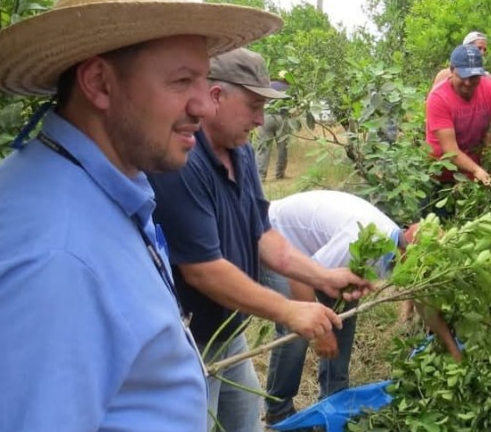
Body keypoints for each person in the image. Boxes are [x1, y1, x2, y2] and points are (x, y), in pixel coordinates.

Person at [0, 0, 282, 430]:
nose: (203, 107)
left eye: (204, 83)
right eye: (181, 81)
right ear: (100, 84)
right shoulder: (52, 259)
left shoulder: (88, 184)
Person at [148, 48, 370, 432]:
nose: (261, 119)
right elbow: (203, 271)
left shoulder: (242, 151)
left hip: (229, 331)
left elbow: (263, 236)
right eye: (253, 105)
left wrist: (322, 277)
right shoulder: (184, 161)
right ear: (217, 97)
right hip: (190, 343)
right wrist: (288, 310)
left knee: (246, 417)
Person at [261, 190, 461, 423]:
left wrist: (452, 348)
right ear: (410, 252)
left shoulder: (398, 247)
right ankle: (278, 411)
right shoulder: (359, 242)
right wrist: (322, 334)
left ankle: (334, 400)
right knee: (297, 329)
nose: (423, 273)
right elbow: (300, 279)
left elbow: (423, 300)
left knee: (341, 316)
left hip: (318, 253)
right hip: (273, 236)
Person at [425, 43, 491, 189]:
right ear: (452, 70)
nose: (468, 82)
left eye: (473, 76)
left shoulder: (490, 89)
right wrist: (476, 170)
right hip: (439, 172)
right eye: (462, 76)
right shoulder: (438, 98)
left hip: (472, 171)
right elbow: (450, 150)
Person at [256, 77, 293, 180]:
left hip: (266, 117)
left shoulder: (266, 85)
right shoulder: (288, 87)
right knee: (282, 147)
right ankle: (280, 174)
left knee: (263, 146)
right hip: (282, 118)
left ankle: (260, 176)